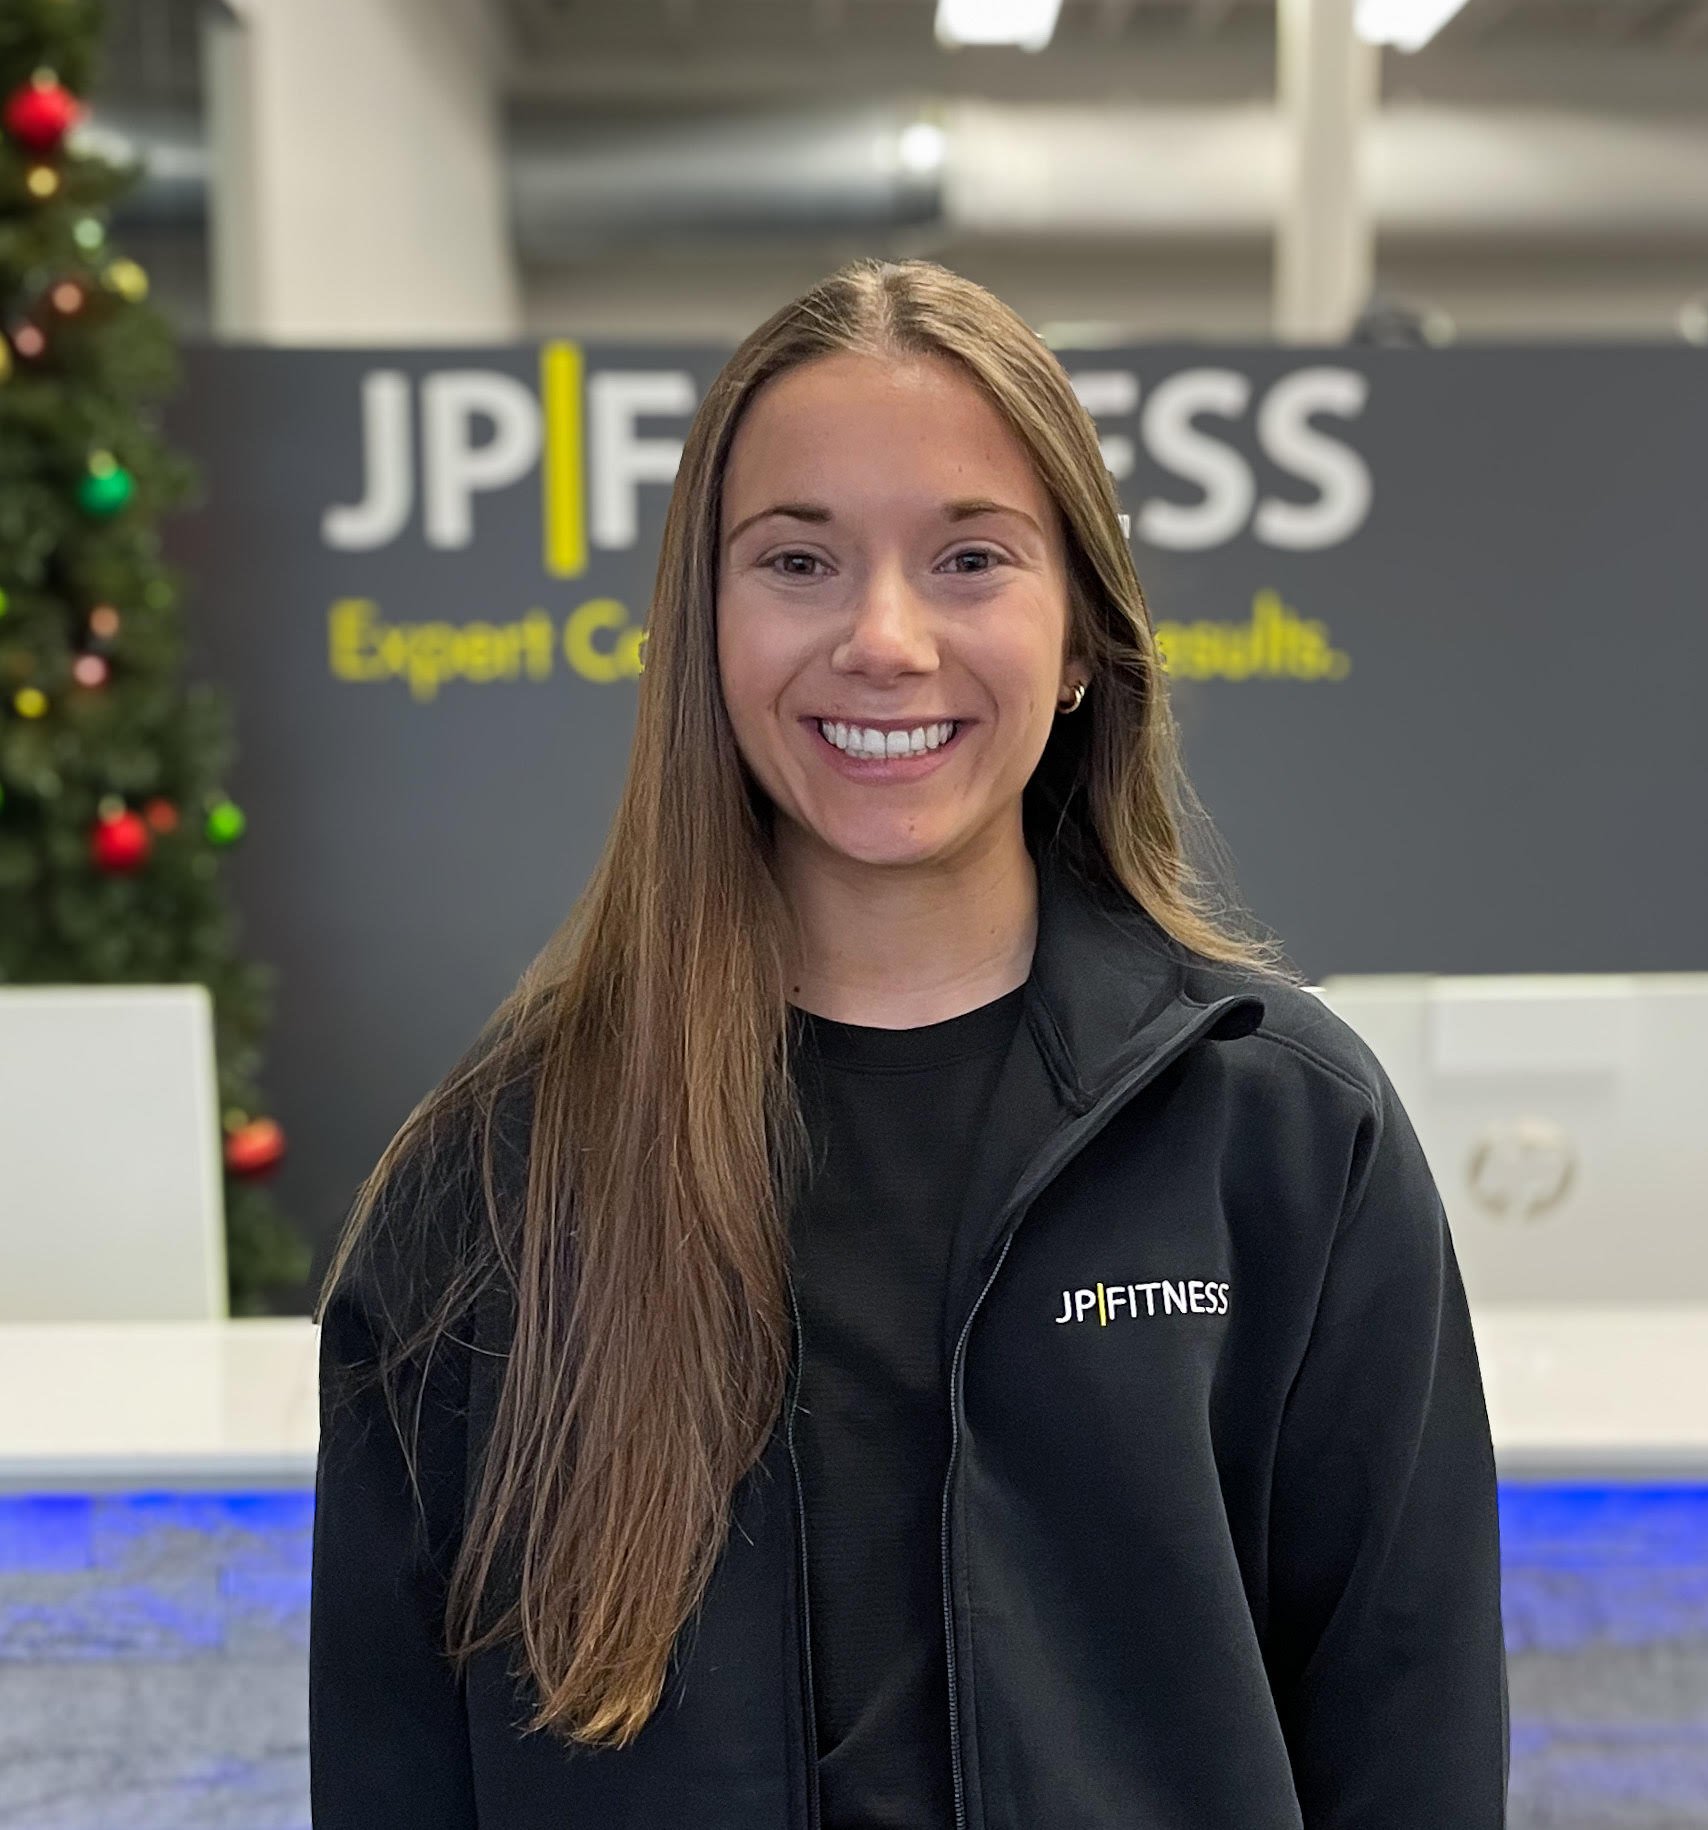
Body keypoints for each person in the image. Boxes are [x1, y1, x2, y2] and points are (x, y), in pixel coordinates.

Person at [309, 256, 1510, 1830]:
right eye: (797, 560)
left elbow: (1407, 1744)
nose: (882, 636)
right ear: (704, 632)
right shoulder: (496, 1179)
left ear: (1078, 632)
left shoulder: (1283, 1135)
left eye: (967, 558)